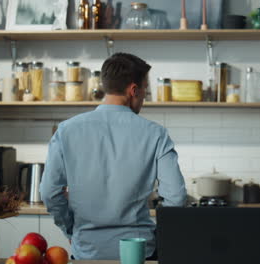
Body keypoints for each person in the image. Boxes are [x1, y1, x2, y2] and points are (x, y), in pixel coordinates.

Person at [40, 53, 187, 260]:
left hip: (86, 251)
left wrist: (71, 230)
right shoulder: (156, 134)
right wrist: (159, 236)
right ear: (133, 90)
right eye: (145, 89)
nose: (144, 96)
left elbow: (49, 193)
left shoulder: (66, 130)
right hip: (139, 252)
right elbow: (177, 197)